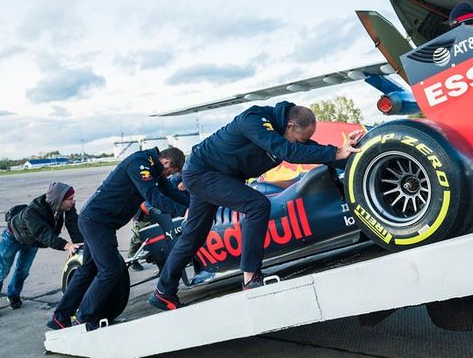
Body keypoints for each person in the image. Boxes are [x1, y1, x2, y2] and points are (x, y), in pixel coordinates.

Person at [148, 101, 364, 311]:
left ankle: (162, 292)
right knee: (257, 205)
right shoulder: (254, 121)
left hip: (216, 176)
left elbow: (310, 149)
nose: (299, 144)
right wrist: (334, 153)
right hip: (202, 173)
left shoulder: (288, 129)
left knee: (194, 235)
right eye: (298, 140)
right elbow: (289, 152)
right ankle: (250, 277)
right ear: (290, 126)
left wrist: (351, 154)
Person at [47, 147, 189, 330]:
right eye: (171, 171)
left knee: (88, 270)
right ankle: (85, 317)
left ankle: (60, 318)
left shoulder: (154, 167)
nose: (169, 175)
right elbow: (153, 197)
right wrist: (184, 212)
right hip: (97, 222)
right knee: (111, 270)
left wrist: (194, 205)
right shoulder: (140, 164)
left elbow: (170, 192)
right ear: (167, 162)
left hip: (98, 222)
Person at [0, 182, 82, 319]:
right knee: (1, 271)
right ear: (59, 199)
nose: (73, 202)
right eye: (70, 199)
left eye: (73, 198)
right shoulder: (32, 212)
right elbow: (44, 234)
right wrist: (66, 245)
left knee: (23, 270)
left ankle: (13, 295)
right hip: (12, 238)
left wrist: (78, 244)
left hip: (32, 241)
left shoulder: (66, 206)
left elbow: (73, 223)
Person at [127, 172, 189, 271]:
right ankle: (132, 260)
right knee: (140, 235)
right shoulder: (155, 181)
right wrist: (158, 214)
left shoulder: (178, 179)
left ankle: (163, 259)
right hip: (145, 213)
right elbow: (145, 203)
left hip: (161, 208)